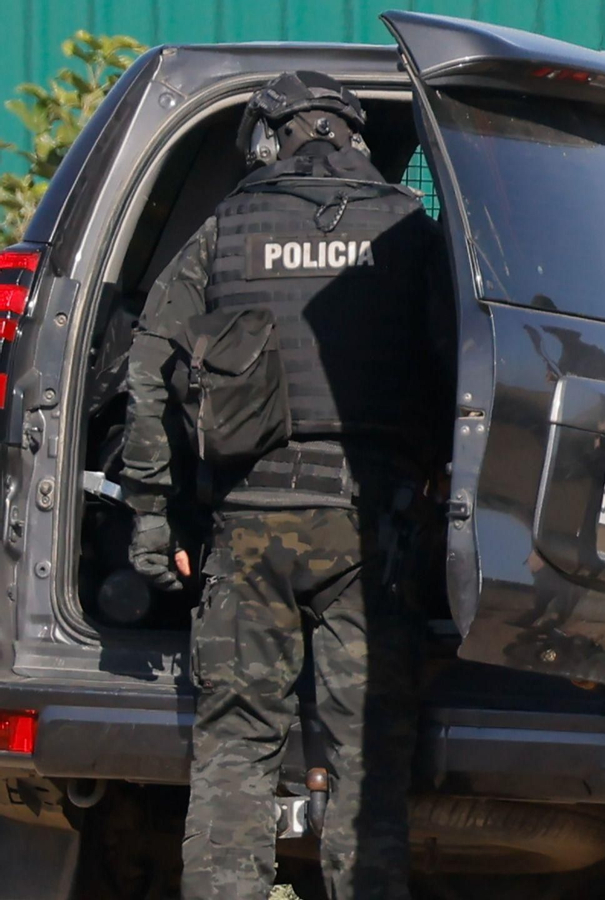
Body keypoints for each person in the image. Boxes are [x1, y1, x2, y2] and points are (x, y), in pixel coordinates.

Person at [122, 71, 452, 899]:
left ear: (269, 138)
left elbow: (149, 370)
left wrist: (154, 517)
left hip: (249, 522)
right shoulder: (411, 230)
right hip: (372, 529)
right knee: (368, 759)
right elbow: (471, 371)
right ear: (355, 138)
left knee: (235, 747)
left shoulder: (225, 229)